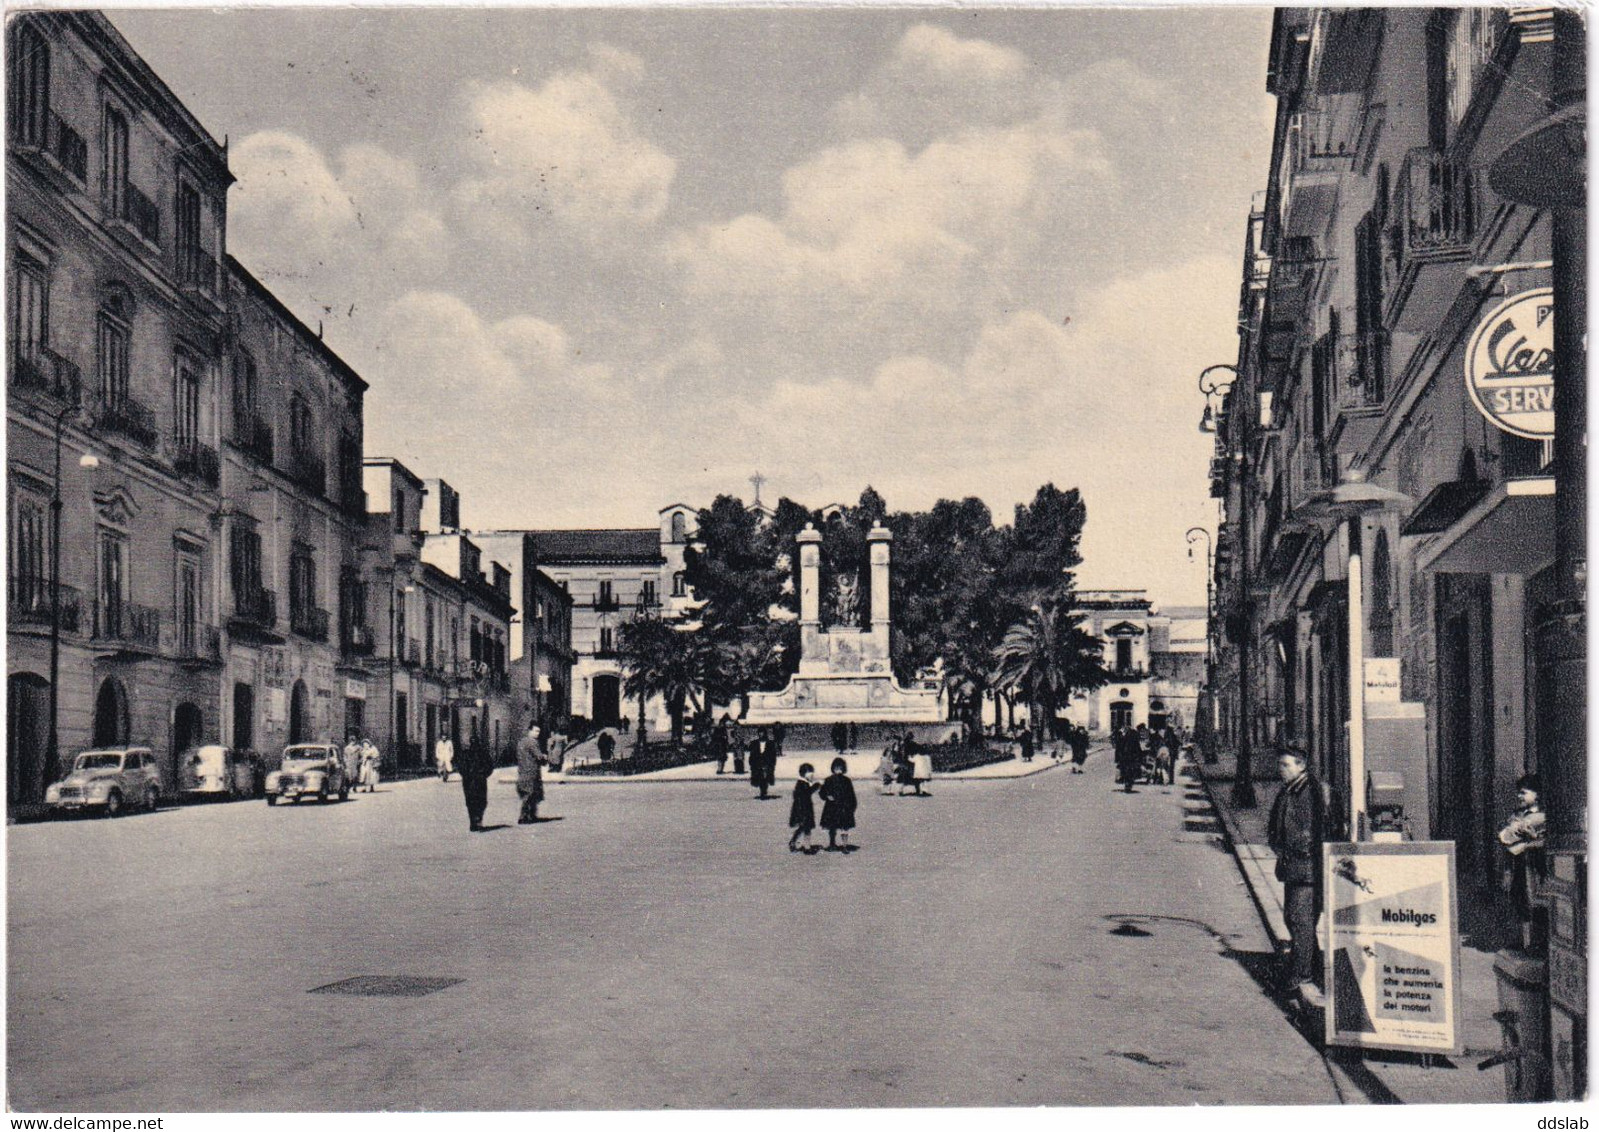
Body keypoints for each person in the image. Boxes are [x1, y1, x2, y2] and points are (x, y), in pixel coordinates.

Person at [1267, 746, 1332, 1005]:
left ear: (1301, 765)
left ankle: (1302, 975)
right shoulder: (1292, 788)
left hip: (1306, 870)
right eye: (1280, 764)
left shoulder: (1310, 792)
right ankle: (1311, 966)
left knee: (1299, 919)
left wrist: (1293, 852)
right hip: (1294, 867)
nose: (1280, 769)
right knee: (1294, 918)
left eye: (1285, 765)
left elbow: (1309, 832)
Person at [1499, 773, 1548, 952]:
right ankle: (1525, 942)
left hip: (1535, 867)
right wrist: (1507, 871)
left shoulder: (1543, 816)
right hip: (1520, 866)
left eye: (1524, 792)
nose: (1520, 796)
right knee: (1520, 902)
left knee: (1536, 902)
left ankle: (1537, 943)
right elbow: (1506, 841)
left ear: (1536, 795)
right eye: (1518, 793)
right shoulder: (1517, 816)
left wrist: (1530, 841)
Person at [458, 728, 496, 832]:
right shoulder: (483, 754)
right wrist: (483, 775)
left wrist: (466, 776)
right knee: (481, 801)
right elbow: (490, 767)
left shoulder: (465, 754)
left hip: (469, 782)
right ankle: (478, 820)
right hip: (479, 781)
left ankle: (473, 822)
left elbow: (460, 767)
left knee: (471, 802)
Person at [818, 756, 858, 852]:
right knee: (832, 827)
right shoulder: (828, 780)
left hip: (844, 807)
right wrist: (827, 796)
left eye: (840, 768)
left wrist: (852, 807)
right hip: (831, 807)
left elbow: (851, 794)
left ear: (843, 769)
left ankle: (844, 845)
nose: (838, 770)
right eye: (836, 768)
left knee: (844, 827)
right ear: (833, 769)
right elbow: (822, 792)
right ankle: (832, 844)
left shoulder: (847, 780)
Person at [788, 763, 820, 854]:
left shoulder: (802, 783)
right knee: (806, 828)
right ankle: (807, 847)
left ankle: (794, 842)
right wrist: (816, 785)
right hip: (803, 810)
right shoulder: (802, 784)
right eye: (810, 773)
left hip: (802, 809)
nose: (812, 775)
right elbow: (807, 793)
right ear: (804, 774)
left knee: (803, 828)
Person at [516, 724, 545, 825]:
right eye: (536, 731)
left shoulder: (521, 741)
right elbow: (539, 756)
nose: (538, 733)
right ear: (530, 731)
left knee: (530, 794)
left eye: (538, 731)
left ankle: (531, 815)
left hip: (522, 770)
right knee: (530, 794)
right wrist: (544, 757)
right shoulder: (532, 742)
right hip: (532, 771)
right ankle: (523, 816)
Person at [750, 726, 777, 800]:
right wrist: (752, 763)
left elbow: (773, 755)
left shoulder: (770, 743)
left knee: (765, 778)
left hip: (766, 763)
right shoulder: (754, 743)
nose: (761, 734)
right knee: (759, 778)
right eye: (760, 732)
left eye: (762, 732)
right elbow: (752, 754)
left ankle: (763, 791)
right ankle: (762, 791)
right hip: (758, 763)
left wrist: (772, 764)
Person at [1114, 726, 1141, 792]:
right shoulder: (1129, 738)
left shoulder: (1125, 738)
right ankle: (1128, 784)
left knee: (1127, 771)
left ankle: (1128, 784)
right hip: (1129, 758)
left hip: (1127, 758)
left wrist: (1117, 758)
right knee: (1129, 772)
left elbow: (1118, 749)